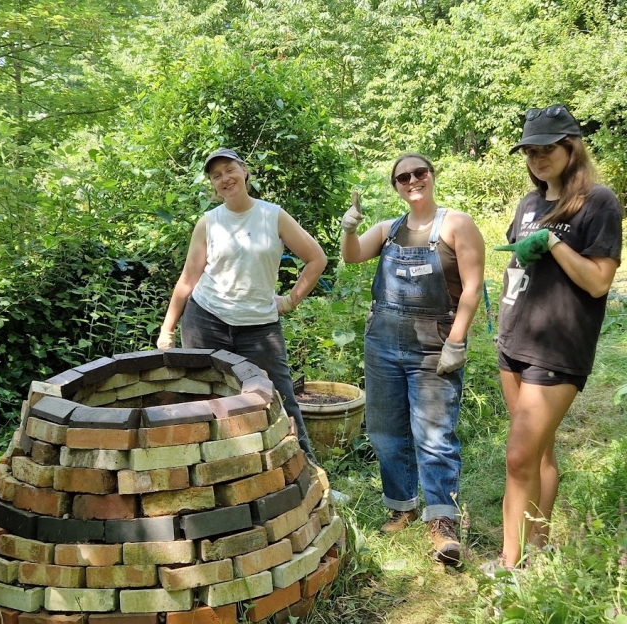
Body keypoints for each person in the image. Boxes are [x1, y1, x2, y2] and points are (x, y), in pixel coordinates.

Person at [494, 105, 622, 569]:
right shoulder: (529, 204)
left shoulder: (599, 201)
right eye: (530, 150)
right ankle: (537, 550)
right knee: (539, 453)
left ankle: (509, 568)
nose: (537, 157)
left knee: (516, 458)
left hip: (559, 346)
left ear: (572, 147)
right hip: (514, 340)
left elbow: (598, 281)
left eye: (547, 148)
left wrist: (553, 243)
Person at [340, 153, 485, 565]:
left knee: (435, 435)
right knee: (386, 432)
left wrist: (456, 341)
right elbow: (352, 256)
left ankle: (442, 523)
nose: (412, 180)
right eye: (403, 177)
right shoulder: (388, 229)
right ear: (396, 186)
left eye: (419, 172)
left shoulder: (456, 224)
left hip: (433, 346)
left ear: (432, 176)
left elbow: (473, 288)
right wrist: (348, 229)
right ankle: (401, 507)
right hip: (382, 343)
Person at [156, 148, 327, 459]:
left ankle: (308, 468)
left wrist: (290, 301)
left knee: (281, 398)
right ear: (213, 184)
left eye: (229, 170)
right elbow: (187, 279)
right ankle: (209, 470)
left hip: (259, 327)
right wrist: (166, 330)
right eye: (216, 175)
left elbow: (317, 258)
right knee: (201, 394)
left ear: (244, 170)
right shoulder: (209, 223)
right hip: (205, 320)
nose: (225, 178)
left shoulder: (273, 215)